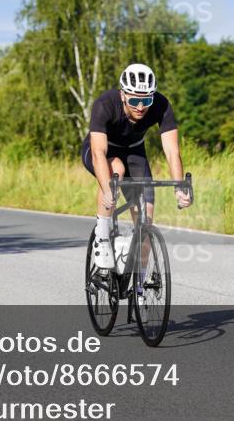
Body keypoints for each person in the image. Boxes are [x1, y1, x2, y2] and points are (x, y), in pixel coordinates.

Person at [81, 63, 191, 272]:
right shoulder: (105, 104)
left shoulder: (161, 105)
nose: (140, 107)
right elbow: (98, 153)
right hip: (102, 152)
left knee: (145, 224)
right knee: (117, 170)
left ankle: (137, 285)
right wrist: (107, 190)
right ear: (123, 95)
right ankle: (103, 237)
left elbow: (171, 151)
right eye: (134, 100)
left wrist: (179, 187)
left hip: (134, 152)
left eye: (146, 100)